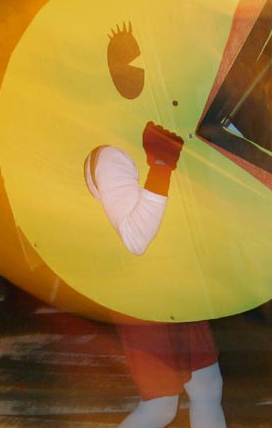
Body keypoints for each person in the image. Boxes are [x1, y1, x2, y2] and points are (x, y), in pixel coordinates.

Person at [85, 121, 226, 428]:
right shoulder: (111, 153)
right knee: (160, 406)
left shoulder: (157, 126)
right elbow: (135, 238)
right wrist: (161, 165)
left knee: (207, 388)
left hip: (173, 285)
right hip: (143, 298)